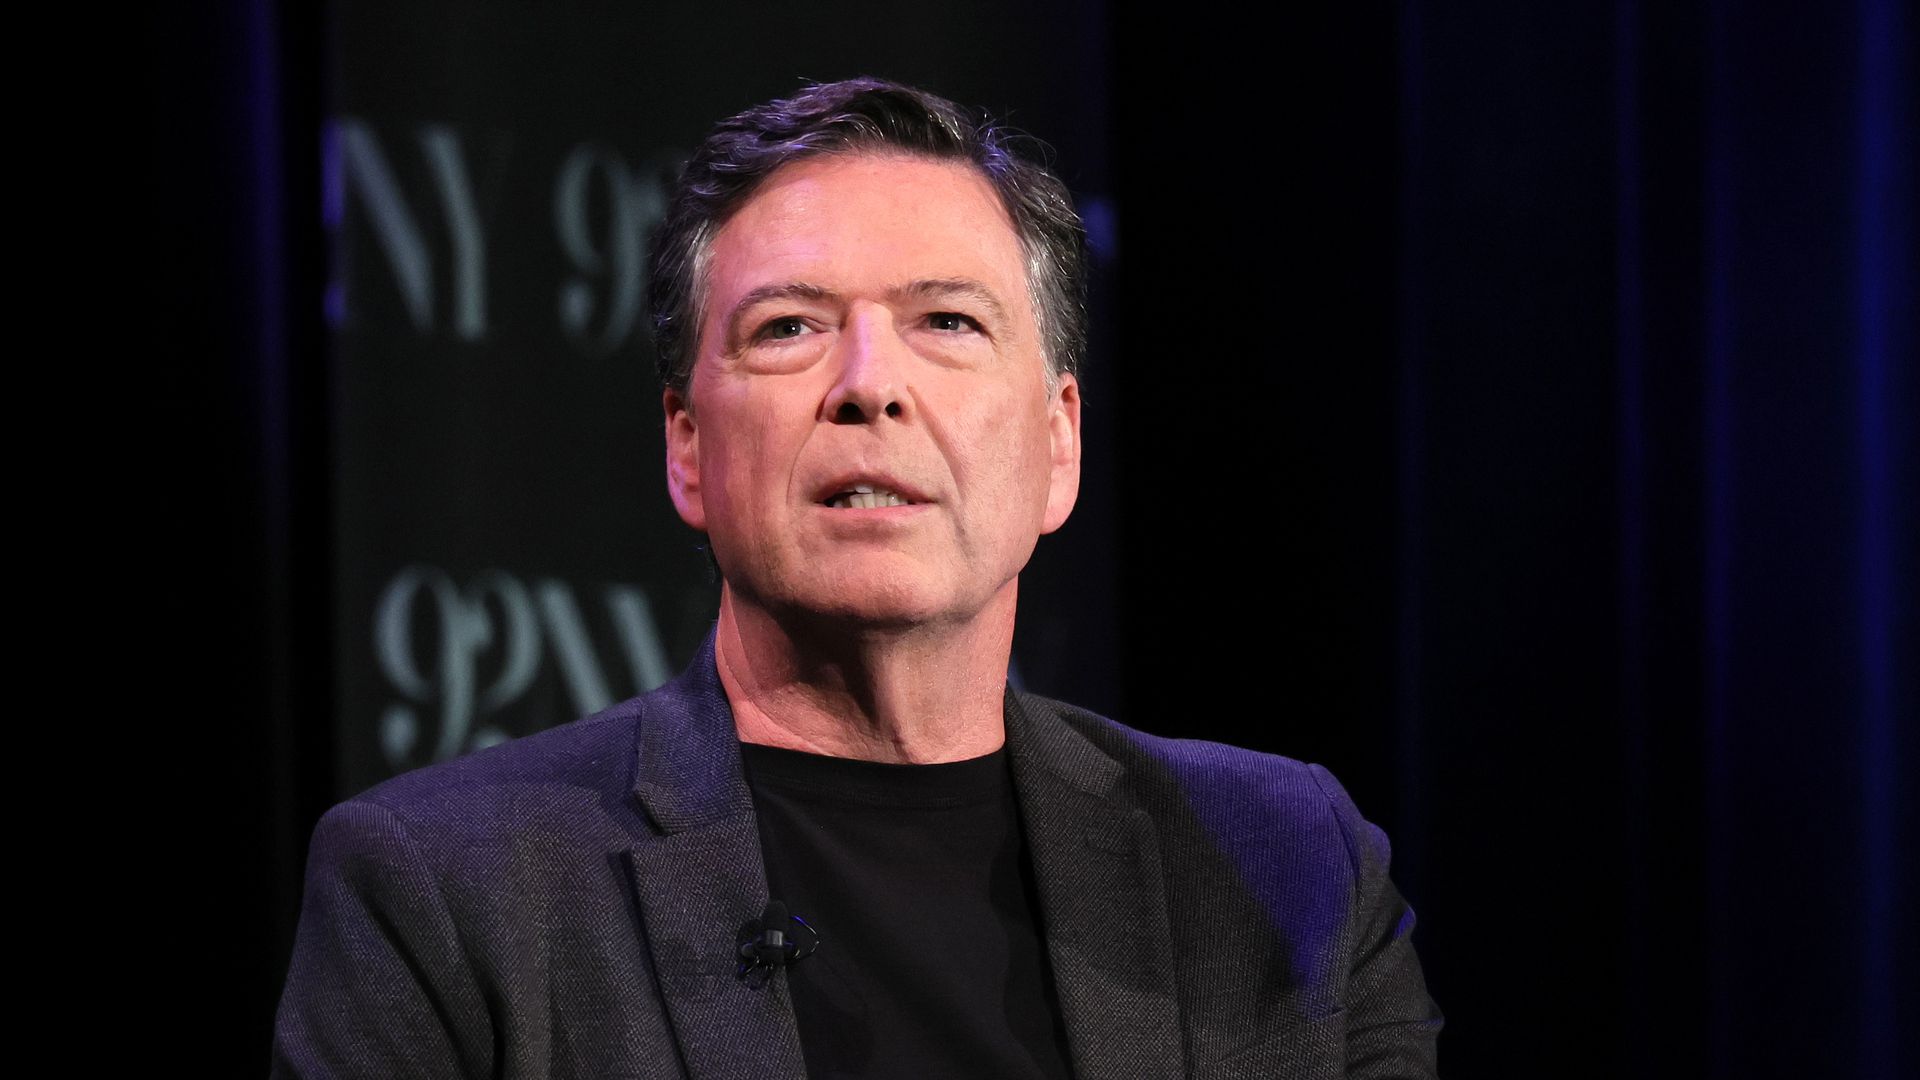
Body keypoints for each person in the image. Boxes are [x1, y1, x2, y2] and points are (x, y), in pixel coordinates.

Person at [272, 77, 1442, 1079]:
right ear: (686, 445)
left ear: (1058, 445)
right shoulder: (445, 888)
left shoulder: (1286, 866)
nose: (868, 384)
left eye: (946, 320)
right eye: (788, 328)